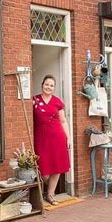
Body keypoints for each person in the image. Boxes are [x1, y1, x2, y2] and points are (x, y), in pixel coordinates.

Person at [33, 75, 71, 205]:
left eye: (51, 85)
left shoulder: (57, 102)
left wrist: (68, 138)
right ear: (42, 85)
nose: (48, 87)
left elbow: (63, 121)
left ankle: (50, 194)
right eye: (46, 84)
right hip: (41, 138)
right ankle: (43, 192)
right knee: (43, 170)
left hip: (57, 137)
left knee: (57, 167)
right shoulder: (34, 100)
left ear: (54, 88)